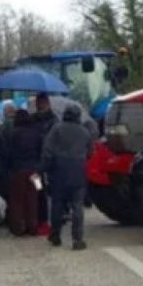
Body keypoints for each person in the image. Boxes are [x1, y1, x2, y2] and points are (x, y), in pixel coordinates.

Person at [41, 103, 94, 250]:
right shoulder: (84, 132)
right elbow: (90, 152)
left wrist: (44, 168)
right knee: (77, 205)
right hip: (78, 170)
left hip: (59, 170)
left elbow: (47, 150)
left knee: (57, 204)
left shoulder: (56, 129)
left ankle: (55, 235)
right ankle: (77, 239)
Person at [3, 109, 43, 235]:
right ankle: (33, 225)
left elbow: (7, 153)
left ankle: (18, 227)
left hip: (17, 170)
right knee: (34, 197)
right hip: (35, 171)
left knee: (17, 200)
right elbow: (41, 152)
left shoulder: (11, 133)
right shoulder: (37, 133)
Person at [32, 93, 58, 237]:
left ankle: (44, 220)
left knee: (44, 192)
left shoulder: (52, 120)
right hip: (38, 163)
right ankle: (40, 219)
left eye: (41, 102)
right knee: (39, 191)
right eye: (38, 102)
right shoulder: (38, 119)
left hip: (45, 163)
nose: (39, 104)